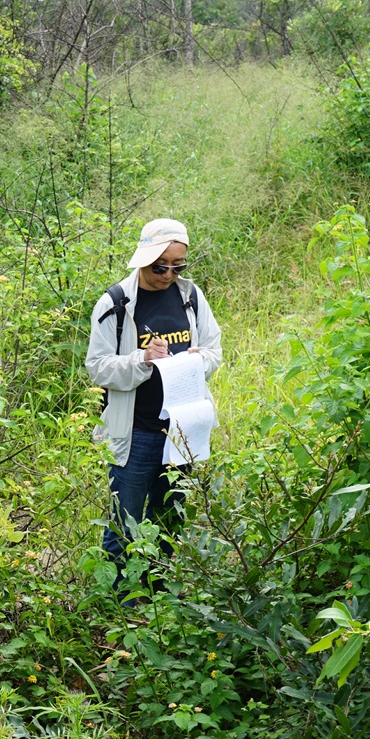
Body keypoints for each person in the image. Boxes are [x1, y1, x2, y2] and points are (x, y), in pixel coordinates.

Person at [85, 218, 223, 576]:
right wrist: (142, 359)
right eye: (161, 266)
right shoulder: (116, 303)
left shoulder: (191, 296)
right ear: (144, 259)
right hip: (136, 432)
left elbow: (213, 350)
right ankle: (120, 604)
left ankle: (160, 597)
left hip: (182, 430)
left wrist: (195, 362)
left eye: (179, 266)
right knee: (124, 523)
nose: (168, 274)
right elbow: (97, 368)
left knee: (170, 518)